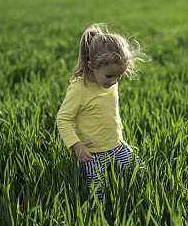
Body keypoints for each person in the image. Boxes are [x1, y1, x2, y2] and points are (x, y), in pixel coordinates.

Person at [56, 23, 146, 208]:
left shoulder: (108, 81)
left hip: (117, 145)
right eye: (109, 76)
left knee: (140, 173)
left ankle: (142, 201)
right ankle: (99, 219)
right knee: (97, 193)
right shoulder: (79, 90)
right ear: (91, 66)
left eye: (119, 76)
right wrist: (75, 145)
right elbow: (63, 119)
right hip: (93, 153)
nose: (114, 82)